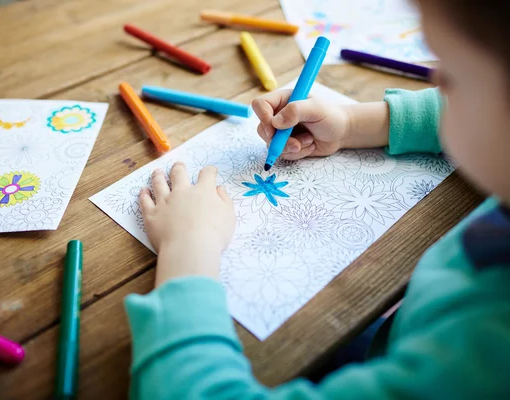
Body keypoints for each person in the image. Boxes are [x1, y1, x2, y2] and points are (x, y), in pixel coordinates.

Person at [126, 0, 510, 398]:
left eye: (450, 76)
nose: (437, 87)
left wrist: (189, 248)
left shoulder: (481, 358)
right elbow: (446, 110)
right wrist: (352, 125)